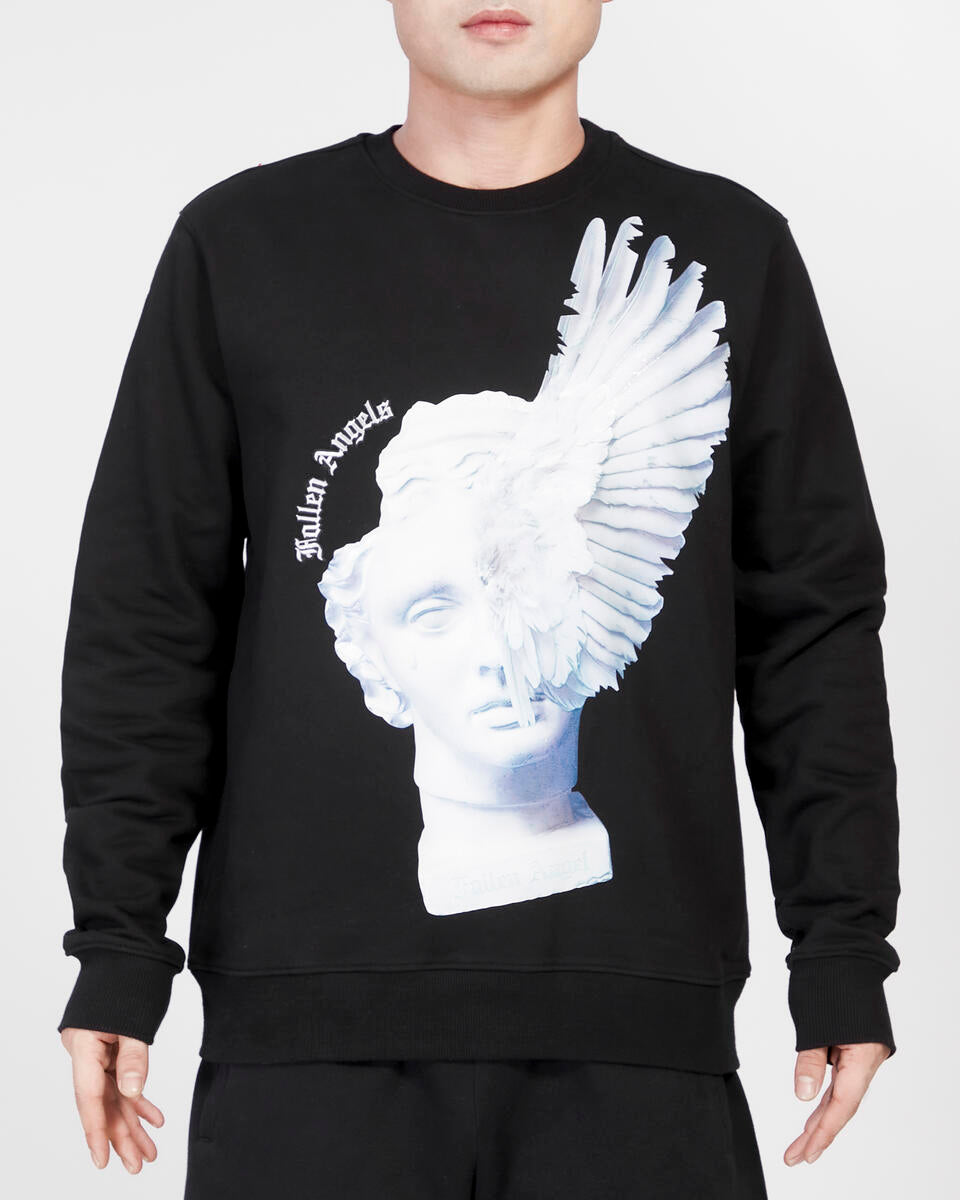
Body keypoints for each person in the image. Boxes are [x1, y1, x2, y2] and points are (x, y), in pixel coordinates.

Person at [56, 1, 900, 1195]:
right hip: (308, 1054)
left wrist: (843, 943)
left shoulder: (733, 246)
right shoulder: (241, 246)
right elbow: (148, 616)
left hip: (637, 1043)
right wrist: (118, 943)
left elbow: (810, 628)